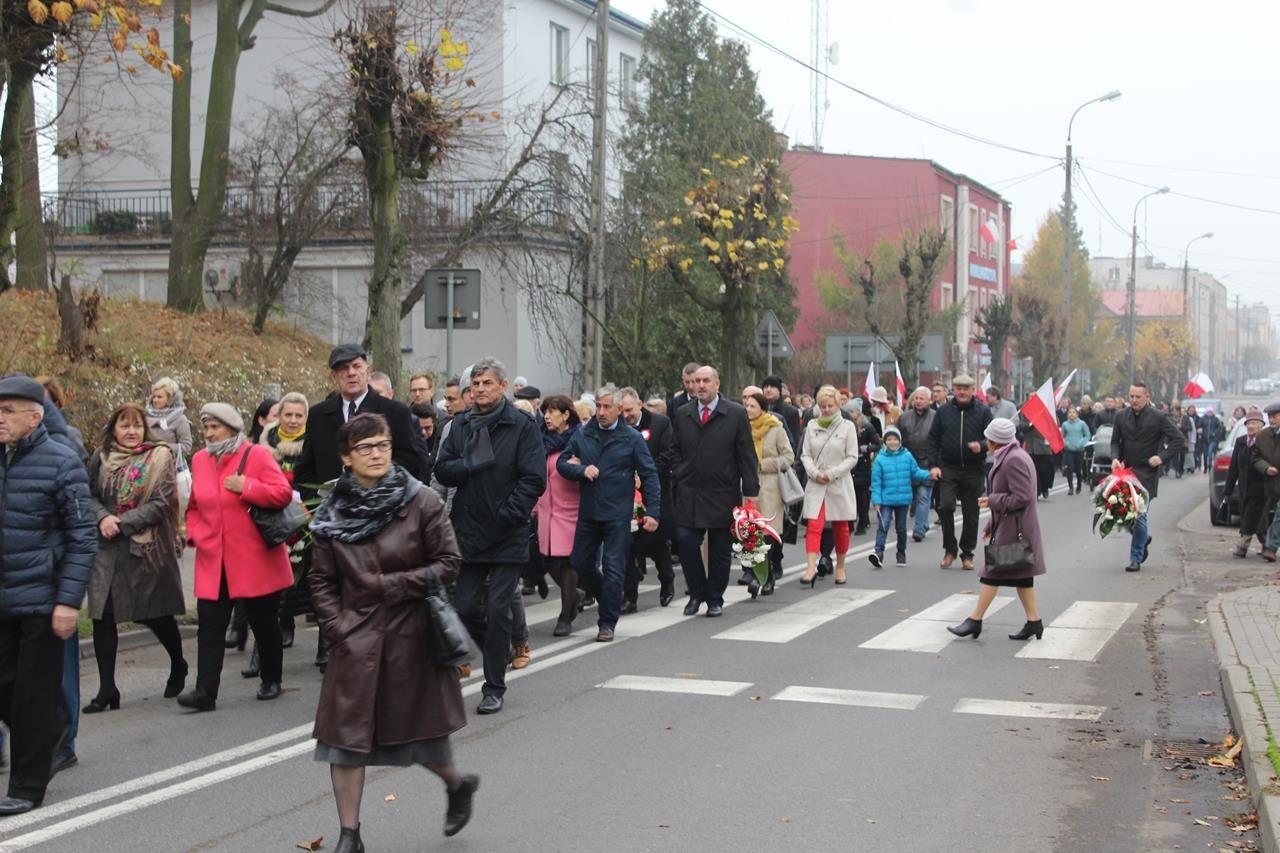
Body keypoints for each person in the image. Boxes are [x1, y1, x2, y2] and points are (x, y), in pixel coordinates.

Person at [308, 414, 478, 851]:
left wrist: (391, 586)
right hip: (355, 637)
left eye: (382, 444)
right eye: (365, 447)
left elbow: (449, 563)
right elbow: (322, 580)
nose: (377, 453)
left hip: (412, 635)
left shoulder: (420, 501)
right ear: (346, 457)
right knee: (344, 742)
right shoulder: (332, 513)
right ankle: (351, 834)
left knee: (420, 739)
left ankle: (457, 784)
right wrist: (336, 627)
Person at [0, 375, 95, 815]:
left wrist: (67, 601)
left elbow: (82, 537)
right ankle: (55, 726)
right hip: (3, 597)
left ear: (35, 417)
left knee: (31, 695)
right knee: (7, 689)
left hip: (42, 598)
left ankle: (26, 786)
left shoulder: (62, 462)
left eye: (7, 412)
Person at [434, 358, 545, 714]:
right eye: (475, 384)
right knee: (465, 606)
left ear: (503, 386)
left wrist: (509, 513)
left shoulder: (521, 425)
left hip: (507, 531)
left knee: (499, 608)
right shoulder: (461, 424)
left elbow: (533, 479)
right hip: (469, 530)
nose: (479, 389)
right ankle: (497, 649)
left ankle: (493, 686)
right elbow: (443, 470)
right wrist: (467, 465)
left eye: (486, 383)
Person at [180, 403, 295, 710]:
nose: (208, 433)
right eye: (204, 427)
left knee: (264, 623)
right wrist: (194, 534)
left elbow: (282, 493)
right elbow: (193, 507)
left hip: (254, 559)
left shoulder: (255, 454)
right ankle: (205, 693)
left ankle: (272, 678)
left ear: (231, 428)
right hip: (213, 559)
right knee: (210, 626)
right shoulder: (201, 459)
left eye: (214, 427)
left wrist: (248, 486)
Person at [85, 403, 188, 713]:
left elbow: (162, 503)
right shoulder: (100, 457)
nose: (131, 432)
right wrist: (103, 517)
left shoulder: (159, 457)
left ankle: (178, 662)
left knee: (152, 613)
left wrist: (123, 523)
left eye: (136, 426)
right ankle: (107, 689)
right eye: (124, 426)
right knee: (102, 614)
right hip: (106, 546)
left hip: (145, 547)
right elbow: (87, 494)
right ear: (113, 429)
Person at [557, 385, 660, 642]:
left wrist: (653, 512)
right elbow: (562, 462)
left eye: (607, 407)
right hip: (589, 513)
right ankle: (608, 598)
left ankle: (607, 623)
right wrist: (581, 471)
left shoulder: (632, 438)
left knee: (614, 568)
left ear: (618, 410)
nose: (601, 412)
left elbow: (649, 475)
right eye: (598, 407)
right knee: (580, 562)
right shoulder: (584, 433)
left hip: (617, 514)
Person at [669, 366, 760, 617]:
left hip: (722, 491)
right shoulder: (683, 413)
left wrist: (751, 490)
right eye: (696, 381)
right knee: (687, 542)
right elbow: (674, 448)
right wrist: (678, 472)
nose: (700, 385)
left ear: (717, 384)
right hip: (690, 490)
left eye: (706, 380)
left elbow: (746, 454)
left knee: (720, 550)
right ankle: (696, 592)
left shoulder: (735, 413)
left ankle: (715, 597)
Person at [948, 418, 1046, 642]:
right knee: (1023, 577)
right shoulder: (1015, 455)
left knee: (991, 573)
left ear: (993, 442)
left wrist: (992, 500)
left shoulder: (1013, 460)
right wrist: (991, 523)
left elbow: (1022, 497)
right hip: (1014, 524)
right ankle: (1034, 622)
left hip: (1016, 526)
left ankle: (975, 620)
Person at [294, 345, 429, 488]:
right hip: (331, 505)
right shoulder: (318, 416)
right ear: (334, 377)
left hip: (382, 503)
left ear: (368, 372)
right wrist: (317, 500)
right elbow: (306, 468)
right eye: (344, 368)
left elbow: (411, 463)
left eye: (356, 366)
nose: (351, 373)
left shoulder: (395, 412)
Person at [1110, 382, 1185, 572]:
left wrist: (1161, 458)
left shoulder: (1158, 417)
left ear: (1147, 396)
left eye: (1138, 397)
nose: (1134, 400)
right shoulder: (1120, 416)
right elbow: (1115, 442)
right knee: (1125, 515)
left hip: (1147, 473)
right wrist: (1115, 459)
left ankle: (1135, 558)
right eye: (1131, 396)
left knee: (1140, 515)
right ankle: (1143, 538)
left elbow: (1177, 439)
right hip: (1126, 472)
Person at [618, 388, 676, 610]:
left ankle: (667, 581)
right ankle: (630, 596)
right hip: (627, 497)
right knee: (628, 547)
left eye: (630, 410)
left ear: (640, 404)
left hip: (653, 493)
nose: (626, 415)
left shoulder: (659, 424)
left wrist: (646, 474)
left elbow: (668, 455)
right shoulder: (619, 426)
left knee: (656, 543)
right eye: (622, 411)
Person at [928, 375, 993, 570]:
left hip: (974, 469)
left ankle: (967, 553)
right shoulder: (944, 412)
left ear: (973, 390)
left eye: (966, 388)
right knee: (946, 506)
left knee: (971, 513)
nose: (962, 392)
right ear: (953, 390)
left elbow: (992, 438)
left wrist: (981, 446)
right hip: (948, 467)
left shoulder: (983, 411)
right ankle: (950, 549)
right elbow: (933, 439)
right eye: (958, 388)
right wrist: (933, 465)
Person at [799, 385, 859, 586]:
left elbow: (852, 457)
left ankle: (840, 566)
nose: (826, 410)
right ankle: (810, 568)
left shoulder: (847, 427)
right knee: (813, 525)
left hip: (838, 483)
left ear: (838, 405)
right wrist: (815, 473)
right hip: (816, 483)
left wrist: (831, 474)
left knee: (841, 527)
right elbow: (805, 454)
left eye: (830, 406)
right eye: (822, 406)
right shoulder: (812, 426)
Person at [536, 396, 583, 636]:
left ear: (566, 415)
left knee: (567, 562)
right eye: (545, 411)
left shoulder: (579, 439)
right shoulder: (542, 441)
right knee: (547, 562)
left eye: (552, 411)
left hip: (571, 510)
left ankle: (565, 615)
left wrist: (582, 465)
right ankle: (573, 593)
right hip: (546, 511)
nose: (546, 416)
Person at [740, 387, 793, 595]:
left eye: (752, 406)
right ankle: (755, 575)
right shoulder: (741, 428)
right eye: (746, 406)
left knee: (767, 536)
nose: (748, 409)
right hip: (748, 488)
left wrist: (762, 464)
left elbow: (788, 457)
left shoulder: (775, 428)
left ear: (762, 408)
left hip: (770, 488)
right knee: (750, 535)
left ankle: (768, 575)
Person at [869, 426, 935, 568]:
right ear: (885, 442)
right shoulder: (879, 459)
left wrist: (929, 474)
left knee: (901, 528)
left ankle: (901, 553)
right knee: (883, 525)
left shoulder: (907, 456)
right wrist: (876, 500)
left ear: (899, 441)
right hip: (886, 500)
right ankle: (878, 553)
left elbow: (915, 472)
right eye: (889, 439)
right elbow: (876, 483)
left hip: (903, 500)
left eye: (895, 439)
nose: (892, 442)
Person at [1225, 411, 1267, 558]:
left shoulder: (1265, 442)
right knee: (1256, 518)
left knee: (1251, 516)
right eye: (1248, 423)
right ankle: (1268, 546)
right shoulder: (1241, 441)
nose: (1250, 426)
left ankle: (1243, 546)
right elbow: (1233, 467)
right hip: (1244, 488)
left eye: (1254, 423)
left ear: (1261, 426)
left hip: (1261, 488)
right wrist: (1228, 489)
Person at [898, 387, 936, 543]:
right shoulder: (904, 417)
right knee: (912, 498)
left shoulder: (936, 417)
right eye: (916, 398)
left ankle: (919, 528)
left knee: (923, 496)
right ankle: (924, 523)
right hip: (908, 462)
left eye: (922, 398)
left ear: (929, 400)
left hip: (927, 462)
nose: (918, 401)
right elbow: (895, 437)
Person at [1252, 403, 1280, 562]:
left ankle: (1270, 547)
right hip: (1269, 484)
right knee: (1266, 517)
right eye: (1269, 416)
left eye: (1275, 416)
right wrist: (1266, 468)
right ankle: (1267, 544)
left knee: (1279, 516)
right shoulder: (1262, 436)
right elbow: (1255, 458)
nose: (1272, 419)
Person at [761, 375, 801, 450]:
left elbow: (794, 441)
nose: (768, 390)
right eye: (766, 387)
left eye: (772, 387)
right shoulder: (758, 410)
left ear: (779, 390)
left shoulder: (791, 412)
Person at [1061, 407, 1092, 495]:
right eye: (1070, 413)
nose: (1071, 414)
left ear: (1077, 414)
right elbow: (1062, 436)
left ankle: (1079, 484)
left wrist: (1082, 443)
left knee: (1078, 470)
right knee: (1069, 469)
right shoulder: (1065, 424)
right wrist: (1065, 443)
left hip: (1079, 450)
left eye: (1073, 412)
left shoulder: (1082, 424)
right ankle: (1070, 487)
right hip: (1069, 449)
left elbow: (1087, 435)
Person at [1199, 407, 1223, 473]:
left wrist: (1214, 433)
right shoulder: (1203, 419)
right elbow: (1199, 426)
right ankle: (1205, 467)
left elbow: (1219, 428)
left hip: (1213, 439)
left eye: (1211, 412)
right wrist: (1200, 429)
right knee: (1205, 454)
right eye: (1208, 412)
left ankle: (1210, 467)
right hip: (1204, 439)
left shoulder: (1216, 419)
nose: (1210, 413)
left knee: (1210, 453)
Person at [1170, 403, 1191, 479]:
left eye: (1175, 411)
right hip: (1174, 439)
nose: (1173, 412)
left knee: (1182, 456)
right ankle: (1177, 471)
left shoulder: (1185, 418)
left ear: (1178, 411)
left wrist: (1182, 427)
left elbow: (1190, 428)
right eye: (1173, 411)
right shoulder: (1171, 418)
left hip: (1183, 439)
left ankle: (1181, 469)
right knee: (1175, 455)